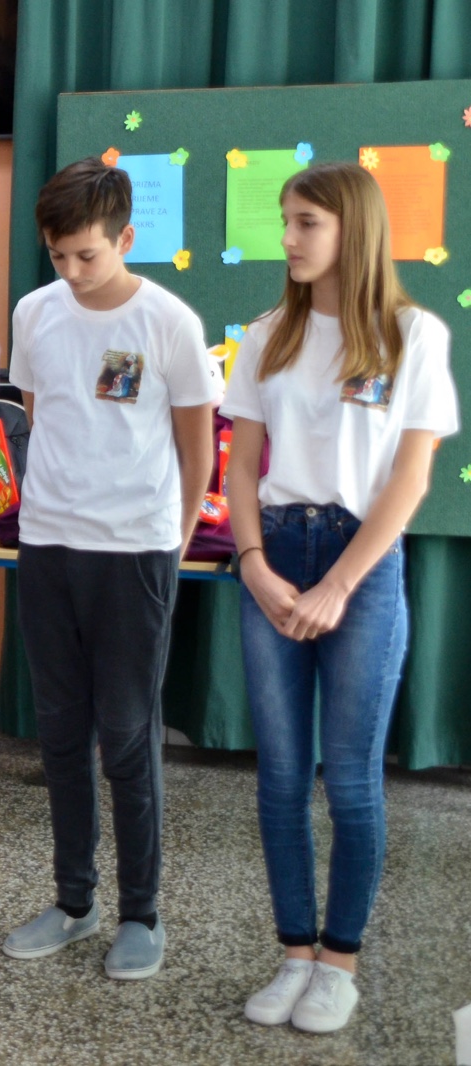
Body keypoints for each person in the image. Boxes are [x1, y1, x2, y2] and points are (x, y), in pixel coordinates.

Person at [224, 162, 458, 1033]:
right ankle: (294, 953)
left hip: (361, 560)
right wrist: (253, 562)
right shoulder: (267, 334)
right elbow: (241, 466)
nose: (287, 238)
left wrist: (339, 583)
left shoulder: (412, 334)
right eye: (285, 220)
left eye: (306, 222)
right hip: (276, 554)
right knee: (281, 776)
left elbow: (411, 478)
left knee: (352, 779)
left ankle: (339, 965)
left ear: (353, 230)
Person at [0, 158, 219, 978]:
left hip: (135, 552)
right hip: (50, 546)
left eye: (86, 255)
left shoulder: (170, 322)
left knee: (126, 736)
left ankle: (141, 914)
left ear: (125, 238)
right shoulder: (35, 312)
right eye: (58, 255)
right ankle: (74, 902)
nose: (71, 271)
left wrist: (173, 536)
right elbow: (40, 419)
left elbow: (197, 448)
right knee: (61, 733)